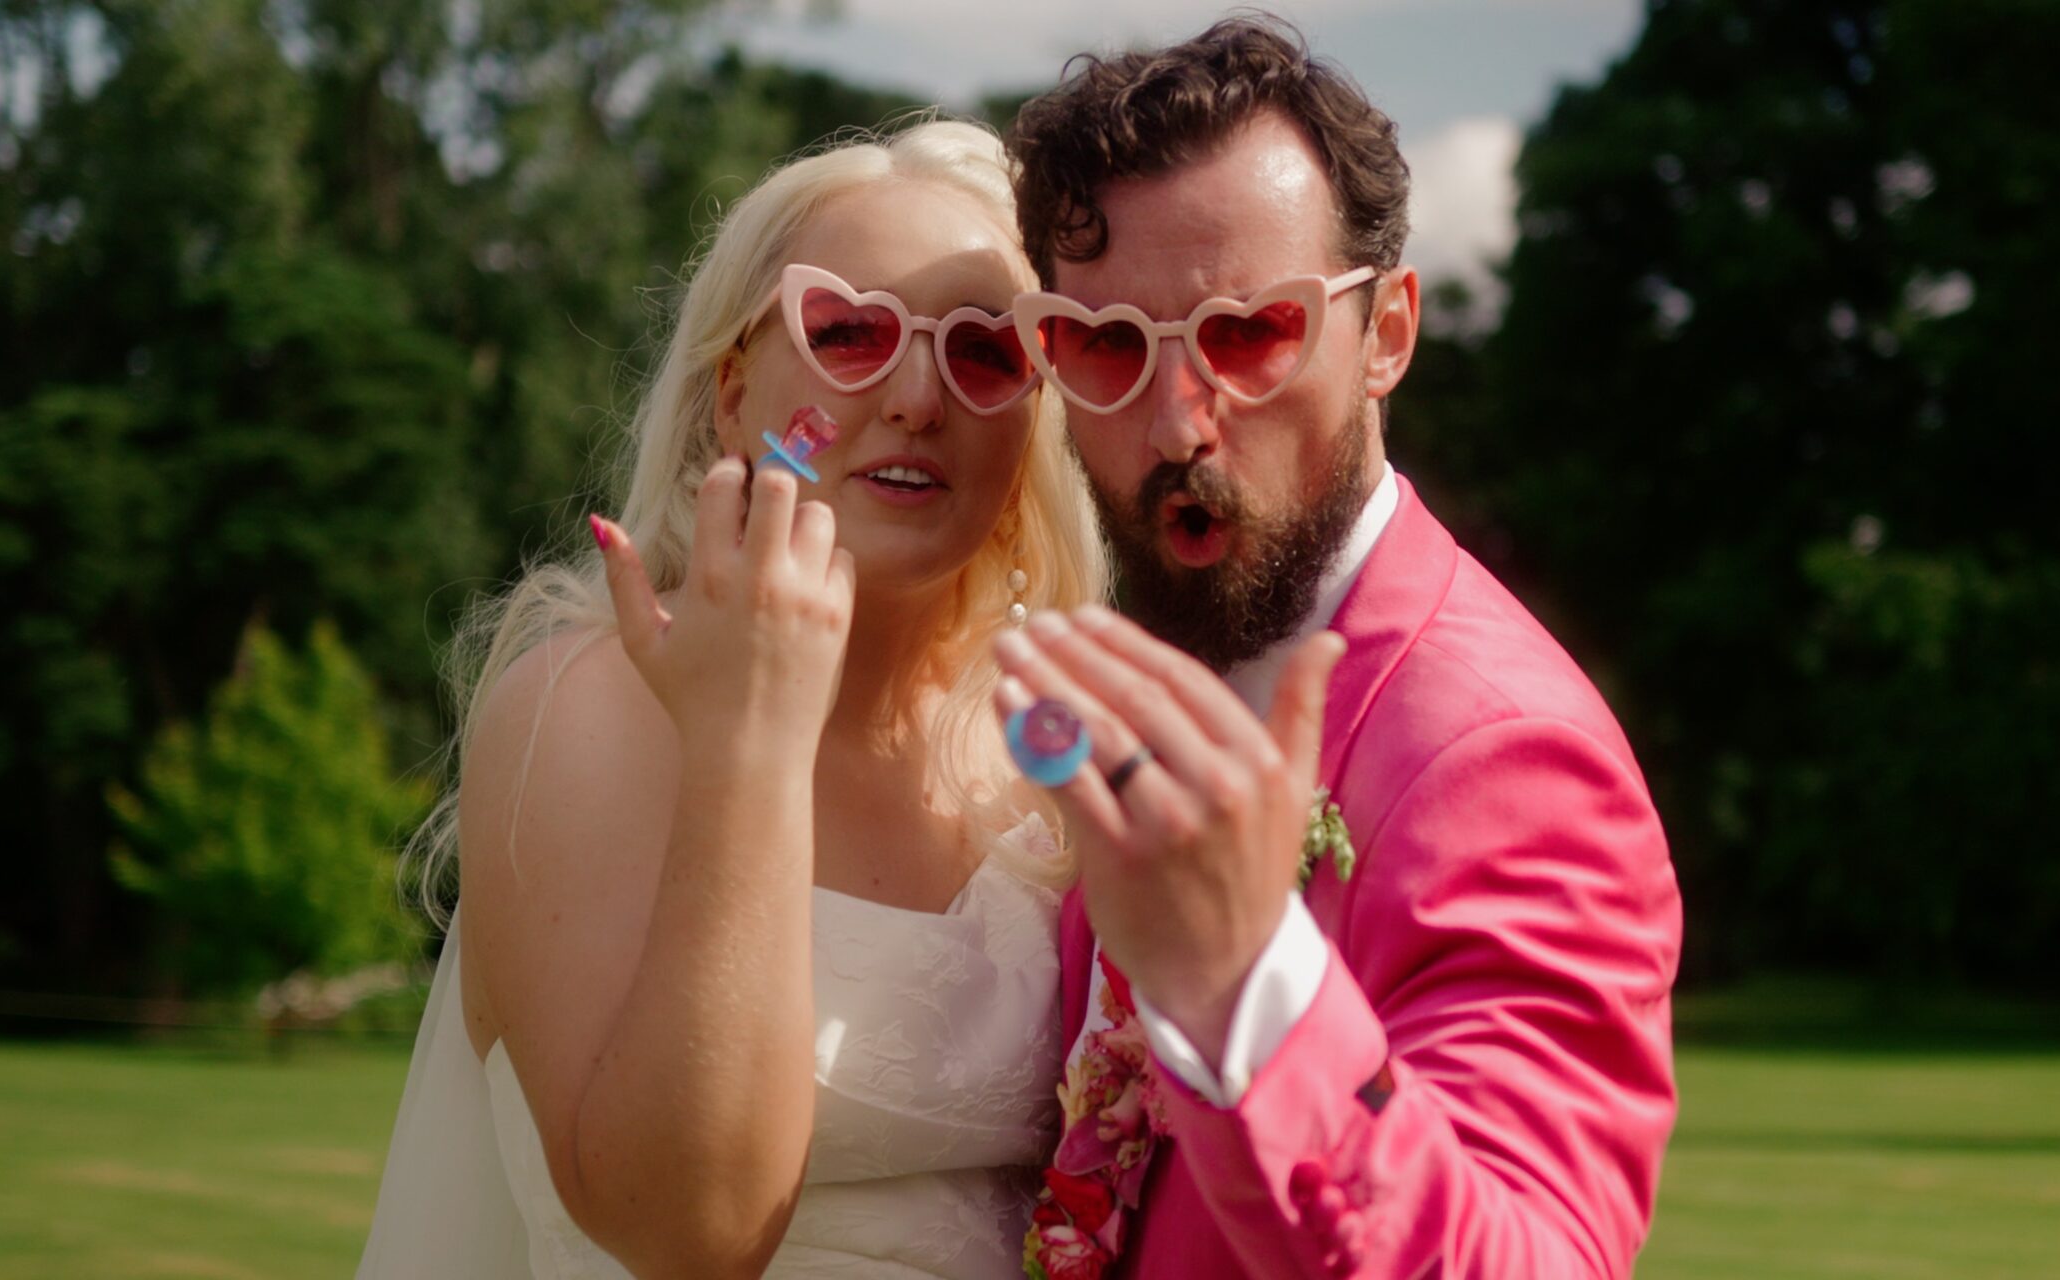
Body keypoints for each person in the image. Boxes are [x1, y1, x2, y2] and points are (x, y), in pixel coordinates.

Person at [989, 18, 1683, 1279]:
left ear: (1387, 334)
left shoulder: (1504, 756)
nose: (1177, 419)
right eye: (1106, 345)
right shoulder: (1143, 678)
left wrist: (1246, 986)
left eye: (1248, 333)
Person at [357, 119, 1107, 1279]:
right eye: (847, 330)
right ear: (732, 390)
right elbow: (685, 1228)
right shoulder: (588, 707)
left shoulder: (1054, 742)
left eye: (985, 352)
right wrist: (747, 741)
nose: (916, 393)